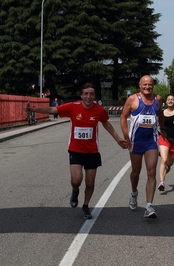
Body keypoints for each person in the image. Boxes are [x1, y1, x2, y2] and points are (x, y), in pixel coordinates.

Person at [25, 83, 127, 219]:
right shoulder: (73, 107)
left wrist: (118, 139)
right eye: (86, 94)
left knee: (90, 183)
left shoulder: (99, 110)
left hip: (92, 151)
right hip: (75, 149)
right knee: (76, 180)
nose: (88, 96)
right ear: (81, 95)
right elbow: (52, 110)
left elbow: (106, 124)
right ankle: (75, 190)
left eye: (91, 94)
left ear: (94, 96)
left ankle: (85, 206)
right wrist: (33, 109)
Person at [120, 75, 164, 219]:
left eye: (150, 84)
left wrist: (162, 130)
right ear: (139, 85)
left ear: (153, 85)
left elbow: (160, 114)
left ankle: (149, 206)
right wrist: (126, 136)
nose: (147, 87)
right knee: (136, 172)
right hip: (136, 142)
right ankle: (134, 193)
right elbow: (123, 117)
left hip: (151, 141)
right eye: (144, 84)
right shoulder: (133, 99)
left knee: (151, 172)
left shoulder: (157, 99)